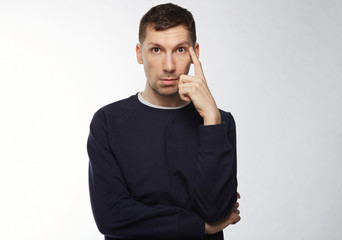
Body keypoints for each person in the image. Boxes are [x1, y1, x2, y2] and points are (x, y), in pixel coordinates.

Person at [87, 3, 240, 240]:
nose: (169, 67)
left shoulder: (220, 122)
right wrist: (198, 226)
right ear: (140, 53)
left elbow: (216, 211)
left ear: (195, 53)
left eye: (180, 50)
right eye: (156, 50)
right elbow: (111, 216)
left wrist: (211, 119)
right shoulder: (108, 122)